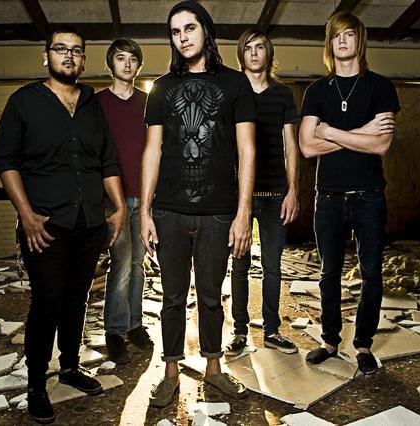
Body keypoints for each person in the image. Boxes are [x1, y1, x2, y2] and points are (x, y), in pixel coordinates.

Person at [0, 24, 126, 424]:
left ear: (83, 59)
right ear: (46, 56)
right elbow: (6, 162)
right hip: (46, 225)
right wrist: (26, 215)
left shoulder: (91, 104)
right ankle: (36, 383)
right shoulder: (23, 102)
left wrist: (119, 207)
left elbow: (107, 161)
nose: (69, 55)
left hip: (89, 223)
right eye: (60, 48)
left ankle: (70, 367)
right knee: (47, 302)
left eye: (77, 50)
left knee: (77, 299)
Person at [140, 0, 256, 408]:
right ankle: (170, 374)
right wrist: (145, 212)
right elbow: (152, 150)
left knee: (210, 296)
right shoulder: (161, 87)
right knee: (171, 298)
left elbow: (247, 150)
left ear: (205, 30)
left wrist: (244, 213)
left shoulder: (235, 84)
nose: (183, 37)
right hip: (169, 211)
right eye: (175, 31)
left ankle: (213, 370)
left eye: (190, 27)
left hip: (218, 212)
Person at [299, 11, 399, 375]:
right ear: (330, 44)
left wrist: (329, 132)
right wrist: (363, 132)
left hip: (369, 197)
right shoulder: (316, 91)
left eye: (349, 34)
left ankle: (363, 345)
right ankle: (329, 340)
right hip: (327, 197)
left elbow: (381, 145)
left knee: (371, 273)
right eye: (336, 35)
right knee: (329, 274)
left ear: (360, 40)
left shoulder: (380, 87)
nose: (342, 40)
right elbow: (306, 147)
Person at [226, 28, 300, 357]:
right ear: (241, 55)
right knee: (239, 265)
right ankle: (240, 332)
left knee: (273, 267)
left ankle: (272, 330)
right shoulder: (233, 93)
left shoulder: (283, 94)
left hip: (274, 195)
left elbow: (290, 146)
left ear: (269, 53)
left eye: (260, 47)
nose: (254, 53)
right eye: (248, 48)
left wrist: (293, 190)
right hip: (239, 198)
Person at [96, 39, 153, 364]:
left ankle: (134, 324)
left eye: (133, 59)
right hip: (112, 200)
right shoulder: (97, 102)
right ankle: (114, 331)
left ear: (138, 65)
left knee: (137, 264)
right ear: (111, 63)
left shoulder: (147, 103)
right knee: (121, 263)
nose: (127, 64)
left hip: (143, 199)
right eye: (121, 58)